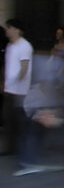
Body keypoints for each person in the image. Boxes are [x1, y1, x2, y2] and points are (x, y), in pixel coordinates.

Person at [1, 19, 33, 156]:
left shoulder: (24, 46)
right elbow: (8, 66)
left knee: (19, 121)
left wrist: (17, 83)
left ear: (18, 30)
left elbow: (24, 68)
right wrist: (4, 82)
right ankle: (11, 148)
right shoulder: (10, 46)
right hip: (9, 89)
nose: (7, 30)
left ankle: (24, 147)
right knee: (9, 119)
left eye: (9, 27)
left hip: (19, 92)